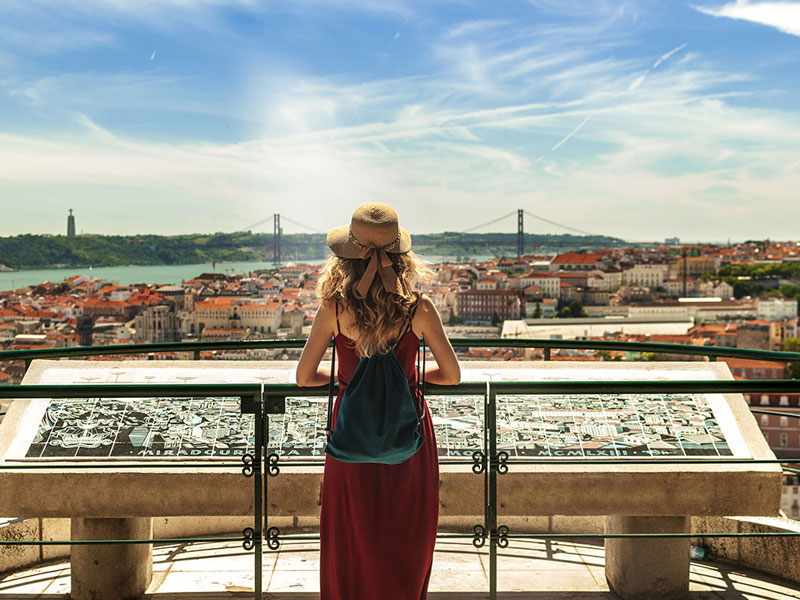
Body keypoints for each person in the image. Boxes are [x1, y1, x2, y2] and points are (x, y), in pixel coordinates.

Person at [296, 202, 460, 600]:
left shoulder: (333, 309)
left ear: (344, 258)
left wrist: (349, 382)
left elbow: (304, 378)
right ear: (402, 257)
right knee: (406, 539)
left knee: (351, 538)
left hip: (350, 437)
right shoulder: (419, 309)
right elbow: (451, 375)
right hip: (409, 441)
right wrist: (407, 380)